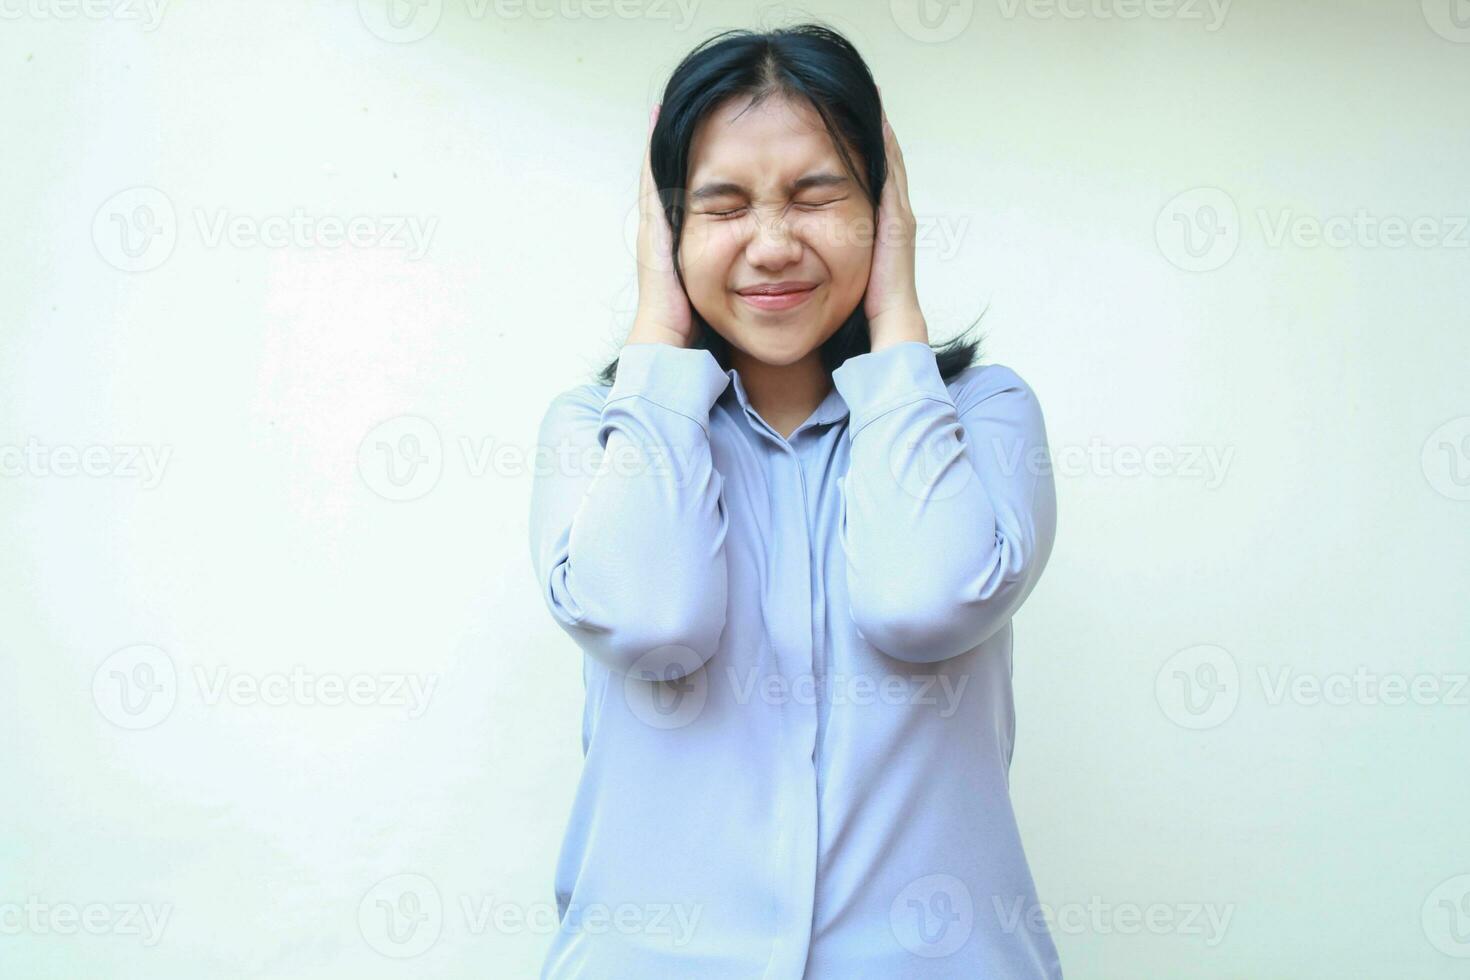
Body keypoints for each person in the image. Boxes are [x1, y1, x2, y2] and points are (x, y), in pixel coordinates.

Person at [528, 23, 1061, 979]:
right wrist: (658, 321)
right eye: (723, 206)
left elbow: (923, 601)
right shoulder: (600, 430)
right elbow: (652, 621)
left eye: (819, 198)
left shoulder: (982, 417)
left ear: (885, 211)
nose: (773, 246)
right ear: (668, 225)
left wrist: (898, 316)